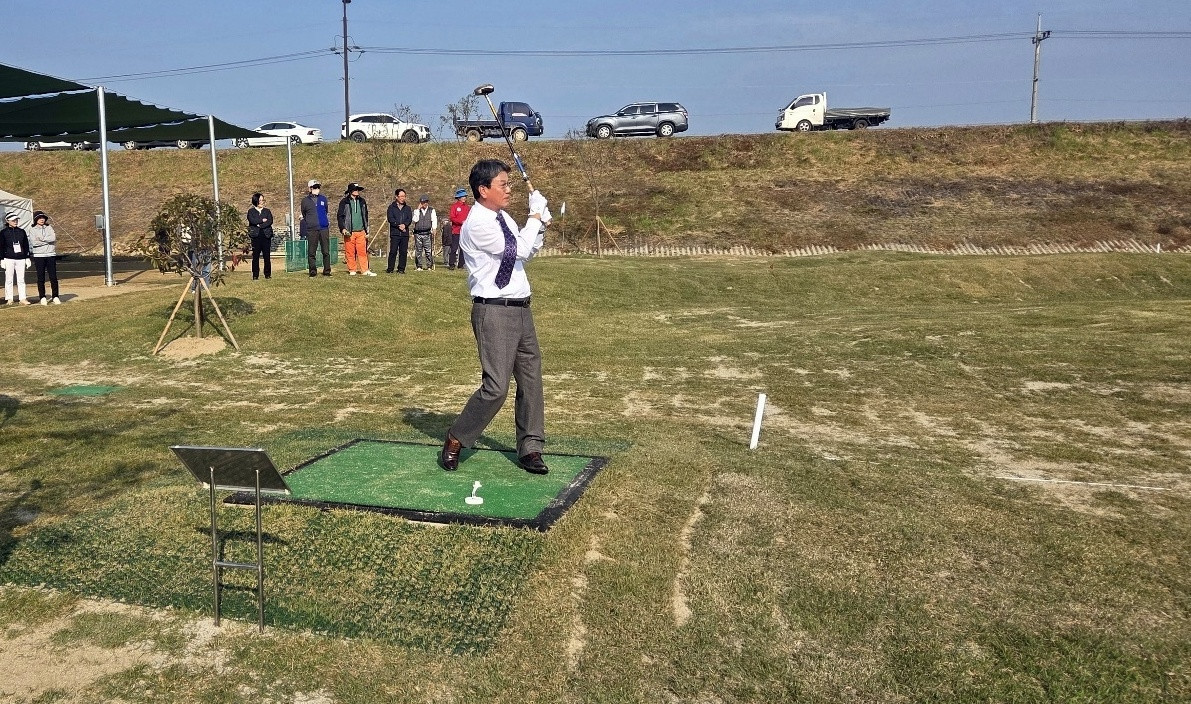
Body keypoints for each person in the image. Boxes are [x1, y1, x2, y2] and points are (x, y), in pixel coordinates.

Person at [440, 159, 552, 475]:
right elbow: (517, 250)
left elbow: (526, 252)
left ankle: (531, 448)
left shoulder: (502, 217)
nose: (508, 189)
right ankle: (456, 437)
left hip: (521, 308)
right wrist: (534, 216)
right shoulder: (478, 223)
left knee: (531, 380)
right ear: (483, 189)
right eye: (502, 184)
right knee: (496, 387)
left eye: (508, 183)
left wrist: (540, 224)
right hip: (493, 310)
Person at [337, 182, 376, 276]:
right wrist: (342, 228)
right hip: (349, 232)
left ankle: (365, 270)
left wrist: (367, 230)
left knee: (362, 252)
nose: (357, 191)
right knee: (350, 252)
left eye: (358, 190)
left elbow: (365, 216)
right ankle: (352, 269)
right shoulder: (344, 202)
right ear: (350, 191)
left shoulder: (362, 201)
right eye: (355, 189)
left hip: (361, 231)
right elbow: (340, 216)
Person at [28, 211, 61, 304]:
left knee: (53, 277)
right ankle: (42, 296)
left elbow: (53, 238)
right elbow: (34, 242)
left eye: (43, 218)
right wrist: (46, 240)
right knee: (41, 277)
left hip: (50, 254)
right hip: (39, 256)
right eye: (39, 218)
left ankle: (55, 296)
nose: (42, 219)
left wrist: (42, 239)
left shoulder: (49, 227)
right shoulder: (32, 229)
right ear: (36, 220)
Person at [301, 180, 332, 277]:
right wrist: (311, 223)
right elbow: (304, 214)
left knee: (326, 251)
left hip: (323, 228)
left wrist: (323, 221)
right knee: (311, 251)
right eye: (314, 187)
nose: (316, 189)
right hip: (312, 229)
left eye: (318, 187)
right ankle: (313, 271)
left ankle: (327, 271)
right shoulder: (305, 201)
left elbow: (326, 211)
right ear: (310, 189)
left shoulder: (323, 199)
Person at [1, 212, 33, 305]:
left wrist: (27, 257)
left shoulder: (21, 231)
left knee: (21, 279)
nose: (15, 221)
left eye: (16, 220)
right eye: (13, 220)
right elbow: (1, 246)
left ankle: (22, 298)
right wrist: (2, 259)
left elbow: (26, 245)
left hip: (21, 258)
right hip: (8, 258)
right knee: (9, 279)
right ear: (7, 221)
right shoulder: (3, 232)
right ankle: (9, 298)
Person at [246, 193, 274, 280]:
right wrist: (262, 220)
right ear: (256, 201)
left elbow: (269, 221)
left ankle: (267, 274)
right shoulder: (251, 211)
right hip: (255, 236)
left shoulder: (267, 211)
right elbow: (252, 221)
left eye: (263, 200)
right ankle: (255, 275)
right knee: (255, 256)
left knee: (267, 256)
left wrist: (260, 225)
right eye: (260, 200)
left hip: (266, 235)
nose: (262, 202)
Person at [386, 188, 413, 274]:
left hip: (404, 233)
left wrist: (405, 225)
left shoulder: (408, 208)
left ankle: (401, 269)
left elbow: (409, 219)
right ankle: (390, 268)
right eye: (401, 196)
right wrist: (398, 225)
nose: (403, 198)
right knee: (393, 251)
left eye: (404, 196)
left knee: (403, 252)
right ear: (396, 197)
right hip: (395, 233)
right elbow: (390, 218)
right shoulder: (391, 208)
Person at [446, 187, 470, 271]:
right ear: (459, 197)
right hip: (456, 231)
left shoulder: (467, 207)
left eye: (465, 196)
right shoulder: (454, 207)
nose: (465, 198)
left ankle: (461, 264)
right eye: (463, 196)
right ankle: (451, 264)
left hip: (464, 232)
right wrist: (461, 222)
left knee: (463, 248)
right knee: (454, 248)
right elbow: (452, 218)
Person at [411, 194, 437, 271]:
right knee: (418, 251)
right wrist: (417, 210)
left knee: (428, 251)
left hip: (427, 233)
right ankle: (419, 266)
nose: (424, 204)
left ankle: (429, 266)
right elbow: (415, 220)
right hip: (418, 233)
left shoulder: (431, 210)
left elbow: (434, 220)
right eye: (422, 202)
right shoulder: (416, 211)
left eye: (425, 202)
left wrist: (434, 228)